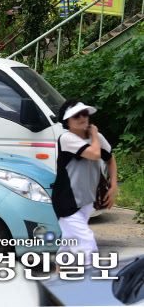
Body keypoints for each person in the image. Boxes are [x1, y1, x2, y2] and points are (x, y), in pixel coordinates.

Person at [52, 100, 117, 267]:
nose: (82, 118)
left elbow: (110, 159)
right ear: (67, 121)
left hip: (86, 199)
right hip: (66, 200)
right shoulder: (67, 138)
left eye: (84, 114)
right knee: (86, 242)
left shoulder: (97, 139)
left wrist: (113, 186)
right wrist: (94, 134)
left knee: (69, 241)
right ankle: (89, 282)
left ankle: (56, 280)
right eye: (76, 115)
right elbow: (95, 154)